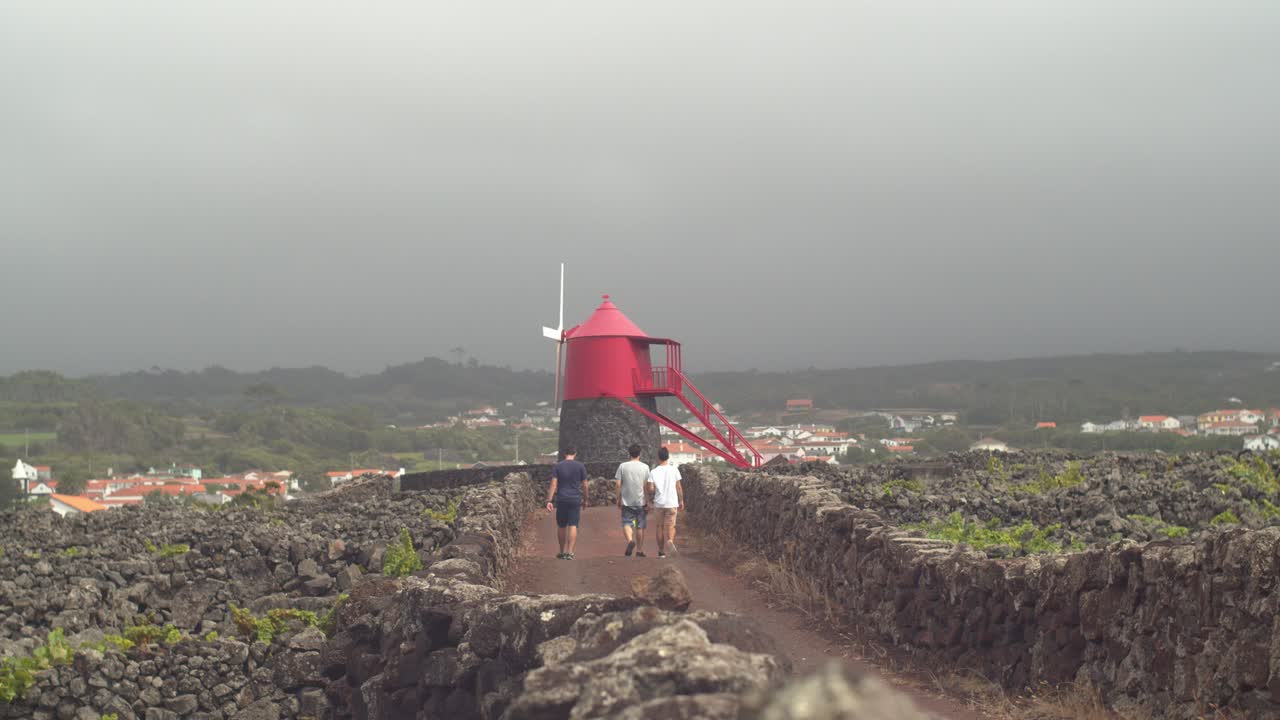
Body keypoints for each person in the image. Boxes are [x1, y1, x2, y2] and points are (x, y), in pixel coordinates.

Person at [545, 446, 588, 559]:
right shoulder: (580, 466)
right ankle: (570, 552)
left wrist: (549, 500)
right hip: (575, 498)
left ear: (565, 454)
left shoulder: (558, 466)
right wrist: (586, 499)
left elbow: (554, 484)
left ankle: (561, 551)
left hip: (561, 498)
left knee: (561, 525)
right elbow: (585, 485)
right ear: (575, 453)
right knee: (573, 524)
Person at [645, 446, 683, 558]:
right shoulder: (674, 469)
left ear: (658, 457)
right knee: (671, 526)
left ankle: (661, 552)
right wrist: (681, 500)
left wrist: (654, 490)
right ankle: (670, 540)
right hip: (671, 502)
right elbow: (679, 487)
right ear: (668, 456)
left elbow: (651, 489)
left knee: (659, 527)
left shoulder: (653, 471)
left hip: (659, 503)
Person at [615, 443, 650, 557]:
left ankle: (630, 541)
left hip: (626, 500)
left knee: (626, 523)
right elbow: (646, 486)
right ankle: (639, 550)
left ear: (629, 453)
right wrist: (648, 501)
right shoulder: (645, 467)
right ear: (640, 454)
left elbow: (618, 484)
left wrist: (618, 498)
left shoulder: (623, 466)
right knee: (640, 526)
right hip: (641, 501)